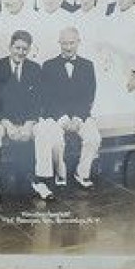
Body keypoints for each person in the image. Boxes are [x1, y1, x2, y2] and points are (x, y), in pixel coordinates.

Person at [0, 30, 55, 206]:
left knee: (44, 131)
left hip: (26, 120)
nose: (20, 52)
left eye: (24, 49)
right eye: (17, 48)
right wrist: (7, 124)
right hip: (0, 119)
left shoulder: (35, 68)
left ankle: (40, 181)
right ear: (10, 47)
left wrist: (29, 125)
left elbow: (39, 101)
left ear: (29, 50)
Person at [39, 26, 100, 189]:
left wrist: (79, 118)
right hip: (56, 116)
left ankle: (82, 172)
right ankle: (60, 171)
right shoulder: (48, 66)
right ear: (59, 43)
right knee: (56, 142)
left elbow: (89, 96)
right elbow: (46, 98)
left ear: (78, 42)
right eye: (64, 43)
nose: (68, 47)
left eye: (71, 43)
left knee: (94, 138)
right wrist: (63, 118)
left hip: (81, 115)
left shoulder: (88, 65)